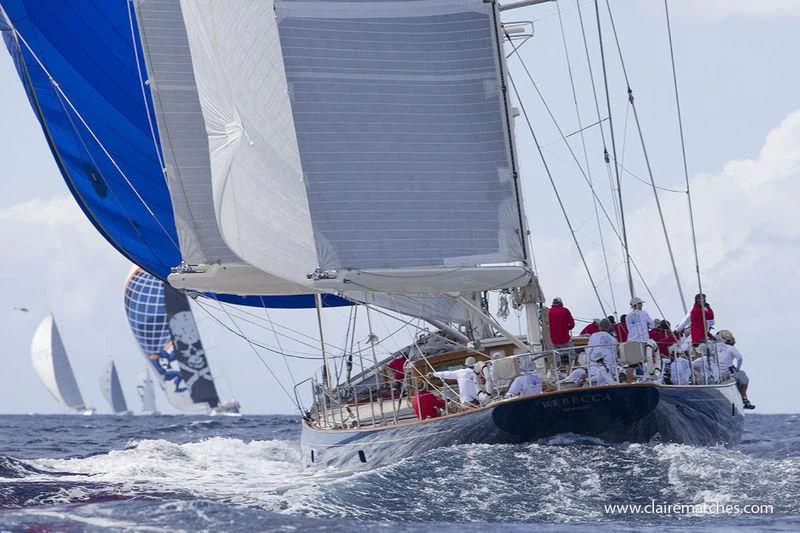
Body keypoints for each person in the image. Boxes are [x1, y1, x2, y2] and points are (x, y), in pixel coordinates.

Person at [716, 330, 755, 409]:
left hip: (716, 373)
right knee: (743, 377)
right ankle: (744, 398)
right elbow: (739, 358)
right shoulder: (730, 348)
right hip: (727, 372)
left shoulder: (715, 347)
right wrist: (737, 369)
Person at [586, 318, 618, 385]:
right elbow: (614, 354)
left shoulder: (593, 336)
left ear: (599, 327)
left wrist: (588, 361)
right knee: (604, 374)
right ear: (609, 327)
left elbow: (589, 351)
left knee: (600, 374)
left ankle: (587, 380)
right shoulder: (613, 339)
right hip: (609, 365)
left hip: (594, 364)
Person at [548, 297, 575, 364]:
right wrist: (567, 328)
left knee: (557, 355)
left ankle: (559, 367)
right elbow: (571, 324)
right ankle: (569, 368)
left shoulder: (549, 312)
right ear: (561, 302)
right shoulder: (565, 310)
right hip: (564, 337)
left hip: (554, 339)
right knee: (570, 354)